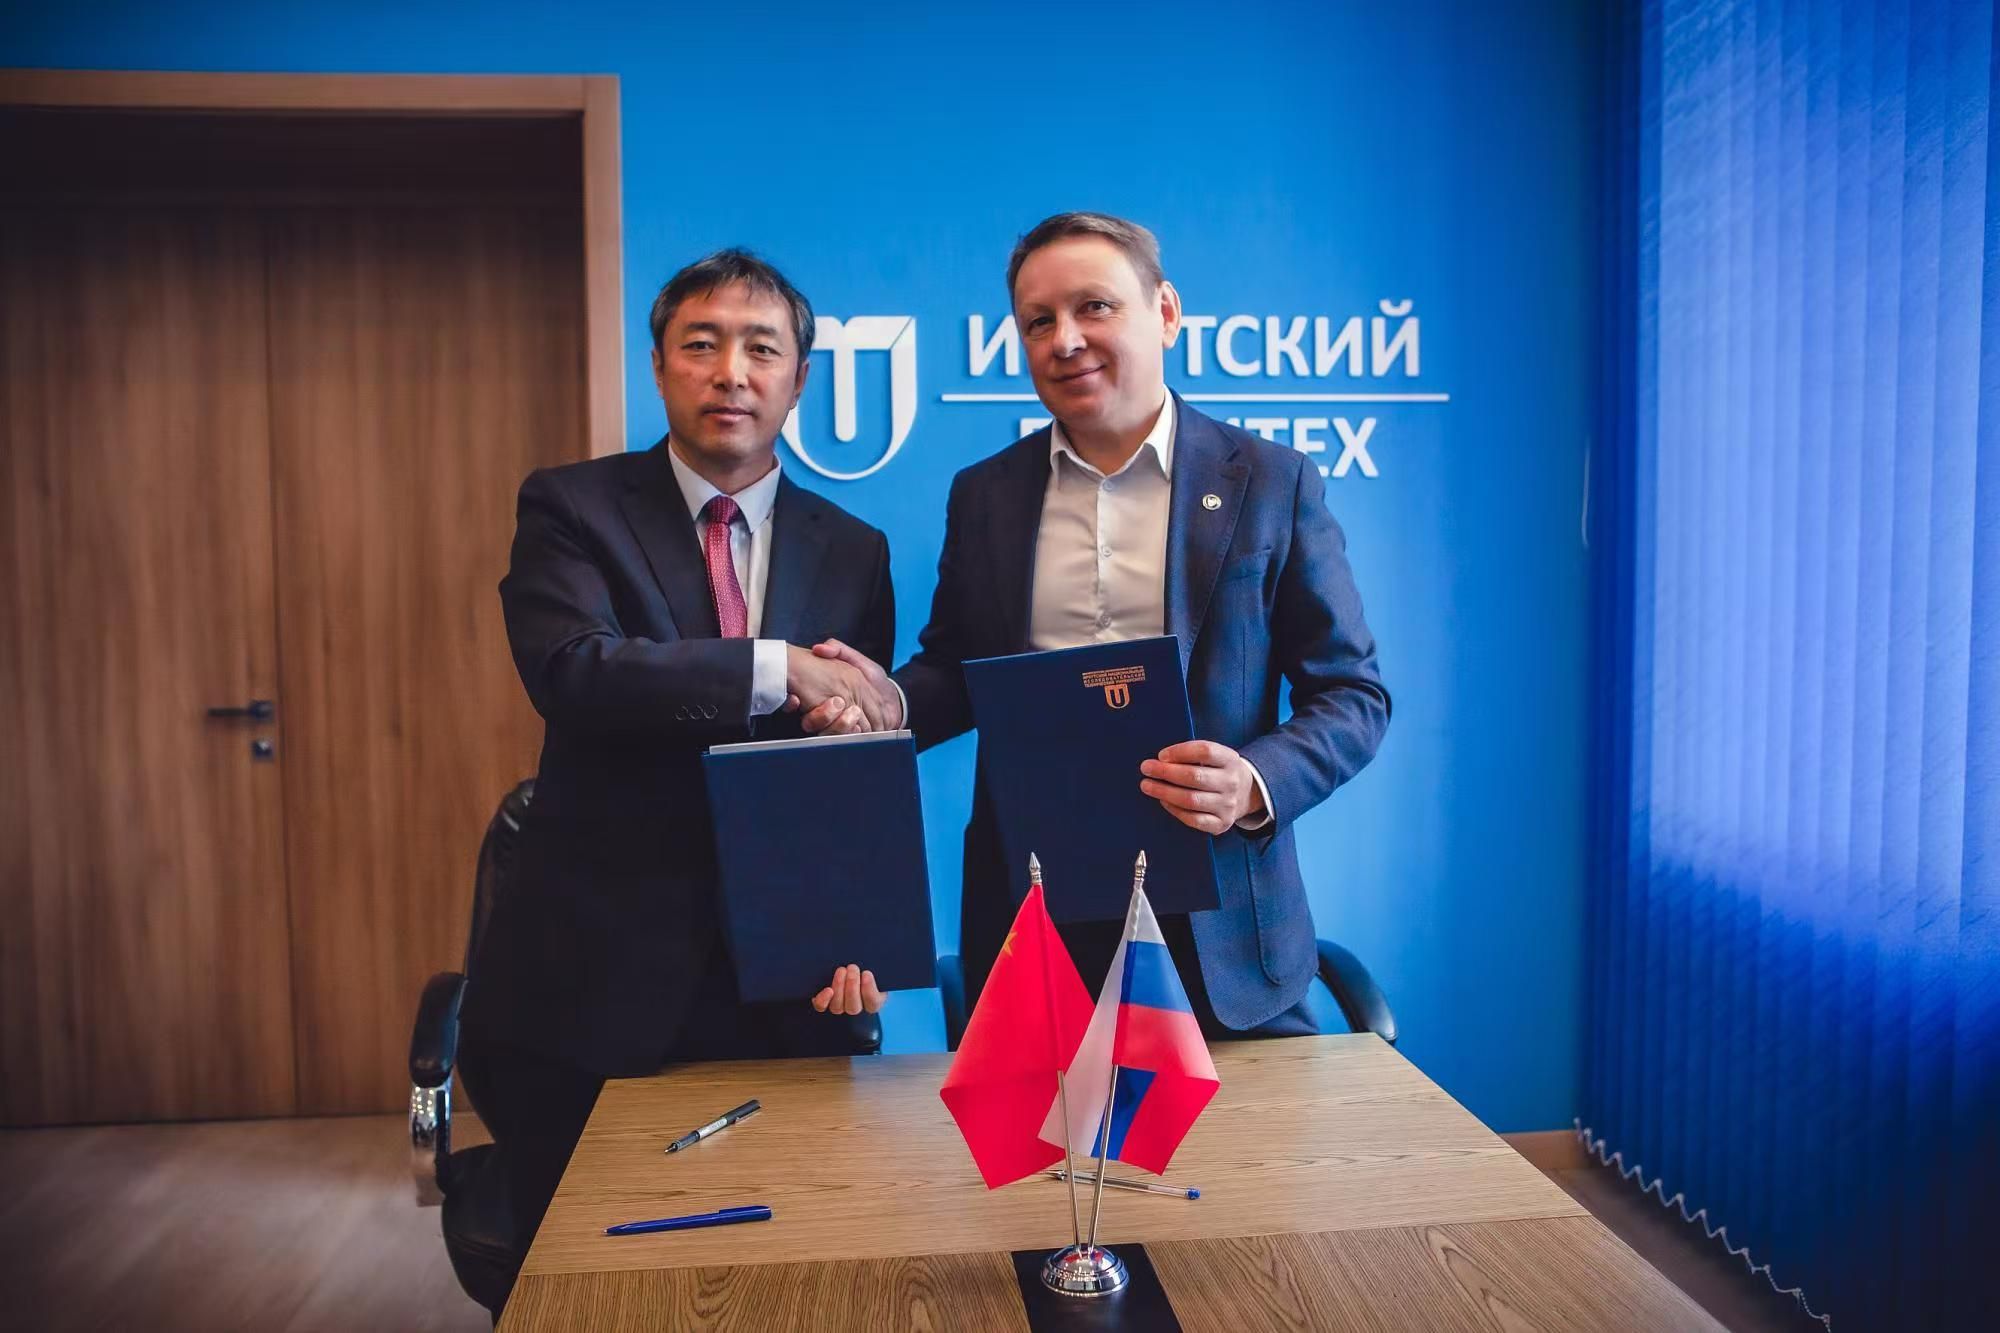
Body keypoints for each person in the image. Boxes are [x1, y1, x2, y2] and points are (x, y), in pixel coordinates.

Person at [456, 249, 900, 1314]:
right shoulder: (571, 506)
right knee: (594, 1295)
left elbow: (843, 785)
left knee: (795, 1285)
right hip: (590, 989)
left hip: (788, 993)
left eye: (761, 349)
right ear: (659, 366)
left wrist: (860, 930)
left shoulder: (856, 548)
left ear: (799, 377)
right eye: (701, 344)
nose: (730, 372)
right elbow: (576, 672)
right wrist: (779, 666)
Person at [815, 212, 1389, 1036]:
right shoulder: (986, 494)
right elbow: (958, 671)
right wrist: (887, 703)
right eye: (1038, 321)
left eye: (1095, 306)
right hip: (1035, 918)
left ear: (1165, 312)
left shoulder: (1271, 481)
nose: (1065, 339)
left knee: (1257, 1132)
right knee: (1039, 1128)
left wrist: (1253, 782)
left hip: (1223, 932)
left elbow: (1353, 696)